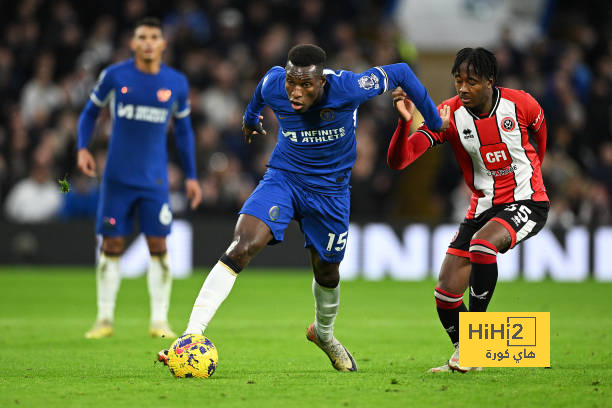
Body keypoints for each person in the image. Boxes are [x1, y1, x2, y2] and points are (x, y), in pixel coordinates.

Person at [157, 44, 448, 371]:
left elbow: (402, 73)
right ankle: (190, 336)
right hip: (284, 178)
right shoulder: (273, 83)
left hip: (331, 192)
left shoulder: (349, 87)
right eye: (291, 82)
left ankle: (324, 335)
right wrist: (250, 119)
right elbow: (259, 96)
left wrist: (435, 121)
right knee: (242, 245)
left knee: (327, 271)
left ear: (322, 82)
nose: (295, 91)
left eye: (305, 85)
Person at [387, 47, 549, 372]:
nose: (463, 88)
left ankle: (474, 346)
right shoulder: (447, 114)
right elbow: (399, 160)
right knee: (445, 292)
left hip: (527, 201)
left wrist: (530, 181)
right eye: (458, 80)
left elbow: (540, 140)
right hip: (482, 209)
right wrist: (405, 123)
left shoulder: (522, 104)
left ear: (490, 81)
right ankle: (470, 354)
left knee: (482, 245)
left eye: (471, 81)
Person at [77, 17, 202, 339]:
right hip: (117, 178)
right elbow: (90, 113)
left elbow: (185, 131)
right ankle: (104, 319)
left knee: (158, 244)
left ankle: (159, 321)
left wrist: (191, 175)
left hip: (154, 181)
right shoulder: (115, 76)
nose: (148, 42)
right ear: (133, 43)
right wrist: (82, 148)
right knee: (112, 243)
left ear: (163, 43)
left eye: (154, 37)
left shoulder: (176, 82)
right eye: (142, 37)